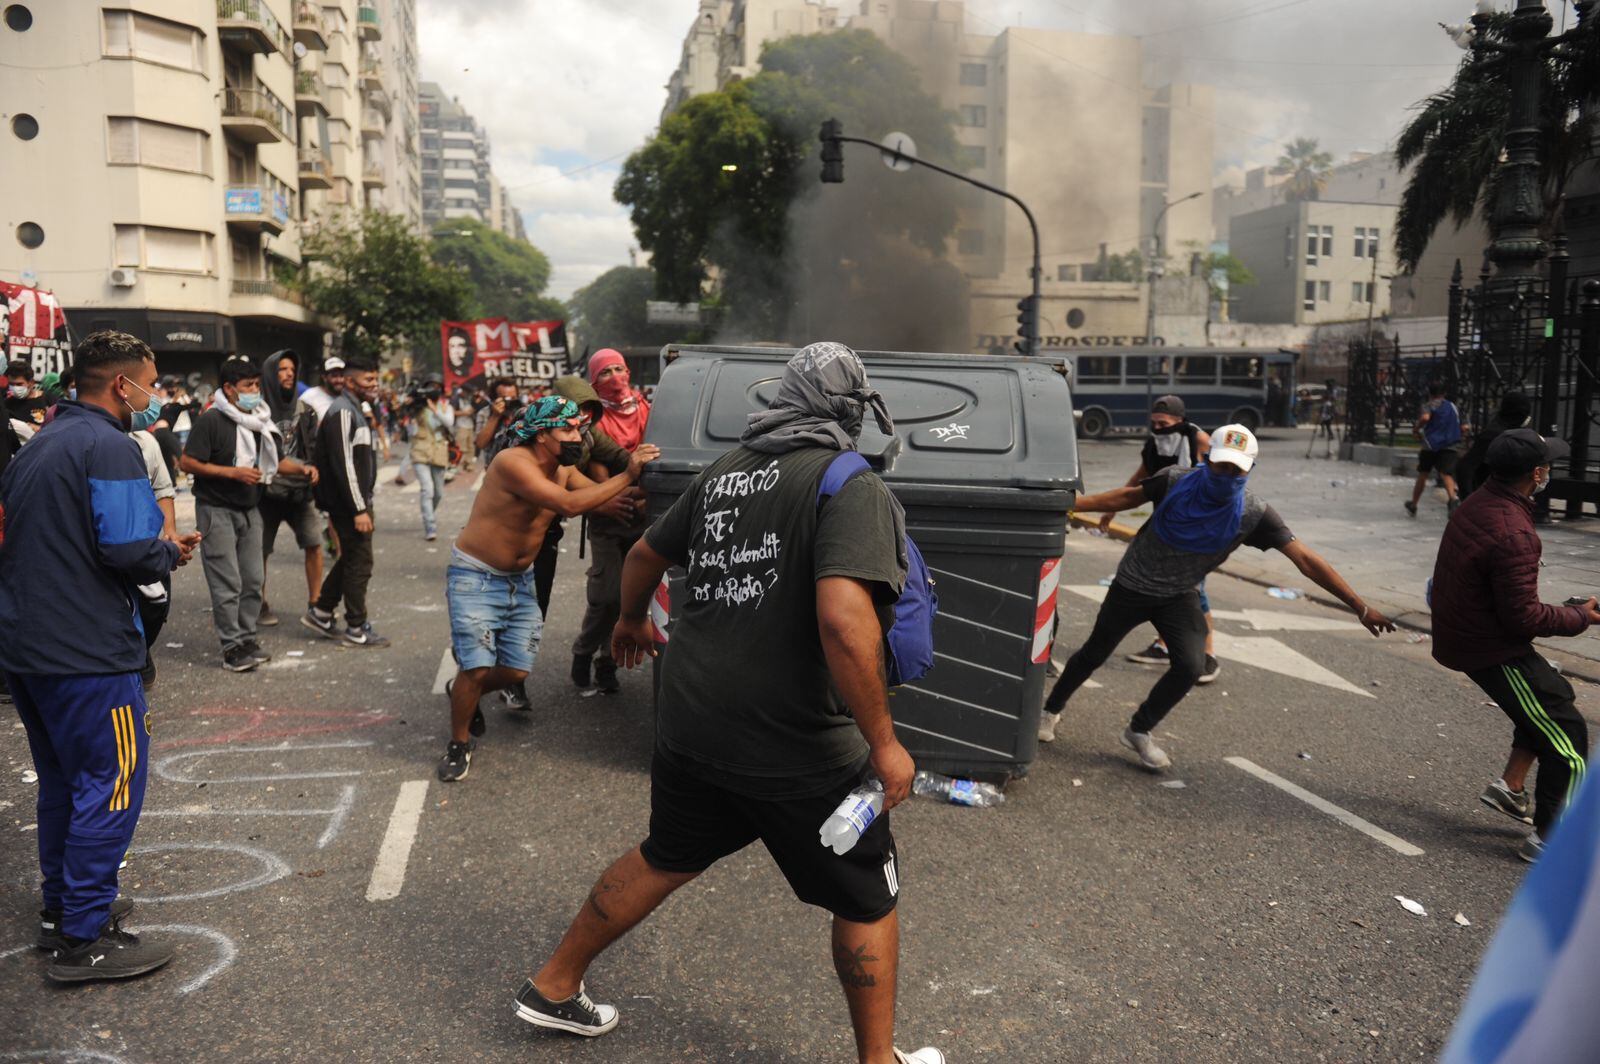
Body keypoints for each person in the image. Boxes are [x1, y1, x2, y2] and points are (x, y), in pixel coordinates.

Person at [513, 343, 943, 1064]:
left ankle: (553, 985)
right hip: (794, 741)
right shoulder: (848, 483)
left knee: (666, 854)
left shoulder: (727, 473)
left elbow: (646, 554)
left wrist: (626, 621)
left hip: (690, 723)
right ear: (849, 411)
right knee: (867, 894)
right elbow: (843, 618)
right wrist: (886, 742)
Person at [0, 330, 199, 983]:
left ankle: (65, 910)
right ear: (123, 385)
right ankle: (84, 938)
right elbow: (130, 549)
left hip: (30, 648)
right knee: (111, 783)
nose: (155, 394)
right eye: (152, 380)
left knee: (65, 782)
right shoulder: (108, 445)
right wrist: (170, 549)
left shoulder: (41, 443)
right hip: (87, 650)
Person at [1040, 425, 1396, 762]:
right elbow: (1124, 497)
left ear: (1250, 470)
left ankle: (1139, 730)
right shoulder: (1174, 480)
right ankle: (1050, 711)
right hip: (1133, 585)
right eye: (1220, 466)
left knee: (1192, 666)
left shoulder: (1253, 514)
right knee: (1093, 654)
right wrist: (1069, 504)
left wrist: (1360, 607)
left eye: (1236, 471)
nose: (1227, 476)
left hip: (1180, 593)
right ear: (1207, 461)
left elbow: (1305, 560)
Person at [437, 396, 658, 782]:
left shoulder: (562, 466)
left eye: (578, 428)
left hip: (518, 579)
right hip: (476, 576)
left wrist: (649, 492)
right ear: (542, 435)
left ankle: (462, 690)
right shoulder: (513, 463)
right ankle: (459, 742)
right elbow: (571, 505)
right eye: (567, 429)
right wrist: (628, 474)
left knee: (515, 672)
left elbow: (603, 499)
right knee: (478, 666)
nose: (577, 436)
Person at [1429, 429, 1597, 863]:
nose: (1549, 473)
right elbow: (1525, 617)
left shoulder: (1478, 502)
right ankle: (1552, 838)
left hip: (1467, 631)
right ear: (1537, 474)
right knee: (1569, 736)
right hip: (1487, 646)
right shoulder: (1515, 532)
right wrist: (1580, 617)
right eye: (1548, 467)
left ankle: (1511, 787)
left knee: (1553, 694)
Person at [181, 358, 314, 672]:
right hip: (216, 509)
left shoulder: (259, 420)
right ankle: (232, 646)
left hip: (251, 508)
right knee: (226, 582)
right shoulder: (212, 420)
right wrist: (231, 473)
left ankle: (247, 637)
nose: (255, 392)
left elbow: (276, 461)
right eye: (248, 387)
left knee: (253, 579)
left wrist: (304, 469)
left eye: (256, 385)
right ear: (229, 389)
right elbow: (187, 463)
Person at [1100, 395, 1220, 684]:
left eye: (1164, 423)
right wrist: (1112, 508)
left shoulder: (1199, 440)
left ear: (1180, 421)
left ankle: (1209, 656)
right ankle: (1165, 645)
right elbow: (1142, 477)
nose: (1158, 428)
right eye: (1154, 423)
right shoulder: (1155, 442)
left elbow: (1219, 480)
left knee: (1194, 590)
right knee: (1166, 589)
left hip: (1196, 530)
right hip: (1166, 527)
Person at [561, 372, 650, 694]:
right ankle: (583, 652)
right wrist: (604, 499)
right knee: (605, 597)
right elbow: (565, 485)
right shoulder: (552, 437)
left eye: (588, 409)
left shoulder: (595, 430)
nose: (581, 418)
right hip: (599, 517)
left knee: (629, 599)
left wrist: (647, 480)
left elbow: (620, 457)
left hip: (635, 513)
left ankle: (607, 662)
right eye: (606, 373)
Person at [303, 357, 389, 648]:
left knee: (352, 557)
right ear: (351, 382)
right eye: (368, 380)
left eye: (375, 380)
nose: (374, 385)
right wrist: (359, 509)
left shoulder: (356, 410)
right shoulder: (342, 412)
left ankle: (322, 610)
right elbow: (344, 465)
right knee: (360, 562)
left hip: (355, 501)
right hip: (349, 504)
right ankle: (356, 627)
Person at [257, 350, 323, 628]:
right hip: (268, 492)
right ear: (271, 373)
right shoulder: (257, 411)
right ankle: (258, 603)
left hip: (299, 491)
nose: (288, 374)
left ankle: (316, 605)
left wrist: (315, 468)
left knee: (314, 544)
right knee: (260, 550)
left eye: (292, 369)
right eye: (282, 369)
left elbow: (314, 445)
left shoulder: (304, 409)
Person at [407, 373, 453, 541]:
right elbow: (408, 425)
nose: (433, 389)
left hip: (439, 451)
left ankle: (428, 513)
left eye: (436, 387)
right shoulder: (418, 406)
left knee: (438, 493)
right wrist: (411, 404)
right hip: (420, 450)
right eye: (430, 386)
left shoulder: (446, 406)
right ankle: (430, 525)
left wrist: (435, 410)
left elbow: (449, 423)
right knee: (427, 489)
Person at [1459, 391, 1531, 498]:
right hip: (1489, 501)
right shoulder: (1494, 434)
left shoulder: (1512, 432)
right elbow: (1464, 467)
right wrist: (1469, 502)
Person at [1407, 381, 1463, 517]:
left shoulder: (1429, 405)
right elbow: (1461, 425)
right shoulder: (1452, 406)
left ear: (1430, 393)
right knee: (1447, 474)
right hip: (1449, 445)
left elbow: (1425, 417)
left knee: (1423, 473)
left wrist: (1416, 428)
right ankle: (1453, 499)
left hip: (1430, 445)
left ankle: (1414, 504)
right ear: (1444, 393)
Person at [587, 348, 651, 452]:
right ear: (595, 381)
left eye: (618, 369)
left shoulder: (645, 408)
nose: (615, 377)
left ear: (627, 373)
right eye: (605, 372)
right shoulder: (592, 417)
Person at [6, 358, 50, 429]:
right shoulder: (7, 404)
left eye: (19, 384)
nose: (15, 388)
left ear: (31, 382)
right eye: (11, 384)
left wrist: (38, 429)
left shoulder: (48, 400)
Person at [298, 355, 346, 421]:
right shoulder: (310, 396)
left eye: (342, 376)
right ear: (324, 377)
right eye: (334, 376)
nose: (339, 380)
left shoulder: (348, 398)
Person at [1305, 379, 1337, 459]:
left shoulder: (1332, 392)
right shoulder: (1331, 391)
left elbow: (1330, 399)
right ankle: (1329, 434)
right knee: (1326, 424)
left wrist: (1325, 399)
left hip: (1328, 410)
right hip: (1327, 409)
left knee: (1326, 423)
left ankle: (1330, 435)